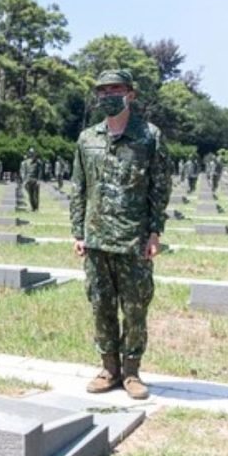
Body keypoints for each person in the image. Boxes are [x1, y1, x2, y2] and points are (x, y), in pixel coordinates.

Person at [71, 70, 170, 401]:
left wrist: (155, 232)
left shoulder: (149, 136)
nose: (108, 94)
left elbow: (160, 186)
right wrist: (78, 231)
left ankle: (131, 371)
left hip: (133, 240)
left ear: (131, 94)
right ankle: (108, 367)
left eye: (115, 88)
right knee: (100, 305)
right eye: (102, 90)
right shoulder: (87, 138)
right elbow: (78, 187)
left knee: (135, 307)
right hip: (97, 238)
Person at [20, 147, 42, 212]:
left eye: (33, 153)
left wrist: (39, 180)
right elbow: (24, 171)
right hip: (28, 180)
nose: (32, 155)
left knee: (36, 195)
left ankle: (36, 208)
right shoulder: (26, 162)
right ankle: (32, 207)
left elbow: (40, 172)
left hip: (35, 180)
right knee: (30, 195)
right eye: (31, 153)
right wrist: (24, 180)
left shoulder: (38, 162)